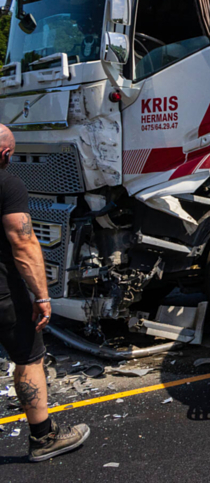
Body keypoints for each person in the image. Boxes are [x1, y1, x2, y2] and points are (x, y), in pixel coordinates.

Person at [0, 125, 89, 461]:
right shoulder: (8, 183)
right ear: (6, 155)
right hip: (4, 295)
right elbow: (23, 243)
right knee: (28, 359)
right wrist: (42, 296)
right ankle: (44, 439)